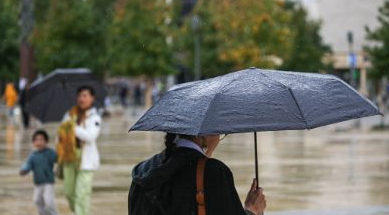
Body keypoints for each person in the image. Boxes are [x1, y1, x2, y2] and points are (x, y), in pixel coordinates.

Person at [128, 133, 267, 215]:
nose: (219, 139)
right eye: (220, 133)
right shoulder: (214, 172)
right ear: (205, 135)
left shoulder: (142, 171)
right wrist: (252, 210)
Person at [57, 85, 101, 215]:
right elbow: (61, 134)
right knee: (69, 193)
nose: (82, 99)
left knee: (82, 194)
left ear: (92, 98)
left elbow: (90, 136)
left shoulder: (95, 117)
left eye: (85, 96)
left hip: (86, 162)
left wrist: (73, 128)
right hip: (69, 158)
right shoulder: (69, 115)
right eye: (80, 96)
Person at [20, 130, 59, 215]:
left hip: (48, 182)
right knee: (37, 200)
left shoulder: (50, 153)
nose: (39, 142)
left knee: (48, 201)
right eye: (36, 140)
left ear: (46, 141)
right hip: (37, 183)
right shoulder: (33, 156)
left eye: (41, 140)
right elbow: (27, 164)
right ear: (33, 143)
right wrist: (24, 170)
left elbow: (58, 158)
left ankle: (54, 213)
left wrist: (59, 146)